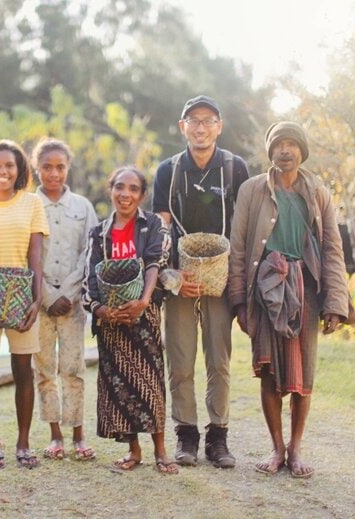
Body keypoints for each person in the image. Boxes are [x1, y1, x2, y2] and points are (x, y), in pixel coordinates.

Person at [228, 121, 355, 478]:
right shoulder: (252, 190)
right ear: (270, 151)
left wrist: (335, 302)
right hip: (266, 289)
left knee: (304, 372)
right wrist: (239, 300)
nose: (285, 150)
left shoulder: (318, 192)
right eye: (278, 145)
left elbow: (333, 247)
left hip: (307, 289)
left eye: (291, 144)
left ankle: (296, 449)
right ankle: (276, 449)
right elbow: (238, 247)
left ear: (302, 151)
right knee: (268, 369)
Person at [151, 95, 250, 468]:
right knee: (179, 359)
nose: (201, 127)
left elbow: (243, 223)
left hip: (220, 279)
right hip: (181, 276)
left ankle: (218, 438)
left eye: (208, 120)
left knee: (219, 359)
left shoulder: (234, 168)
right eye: (194, 120)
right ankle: (187, 435)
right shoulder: (169, 170)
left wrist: (236, 277)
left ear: (219, 127)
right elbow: (161, 224)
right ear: (183, 127)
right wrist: (171, 277)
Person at [83, 166, 178, 475]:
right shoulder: (99, 232)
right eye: (119, 187)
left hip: (144, 316)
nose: (125, 194)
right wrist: (102, 311)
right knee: (119, 386)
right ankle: (134, 450)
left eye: (133, 189)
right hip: (111, 321)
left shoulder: (153, 226)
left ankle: (161, 451)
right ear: (110, 189)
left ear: (142, 194)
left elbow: (155, 262)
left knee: (150, 382)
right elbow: (90, 278)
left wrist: (143, 301)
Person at [0, 139, 49, 469]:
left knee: (23, 371)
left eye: (10, 165)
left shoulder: (31, 203)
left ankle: (23, 443)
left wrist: (37, 297)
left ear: (20, 171)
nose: (3, 171)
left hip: (22, 298)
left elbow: (36, 254)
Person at [30, 138, 98, 462]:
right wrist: (46, 296)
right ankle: (55, 435)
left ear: (67, 167)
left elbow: (90, 252)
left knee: (73, 368)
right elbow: (24, 256)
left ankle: (78, 435)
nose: (53, 173)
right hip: (39, 303)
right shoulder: (29, 206)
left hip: (72, 304)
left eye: (59, 167)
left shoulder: (82, 207)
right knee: (44, 369)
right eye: (47, 167)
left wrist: (69, 293)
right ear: (37, 168)